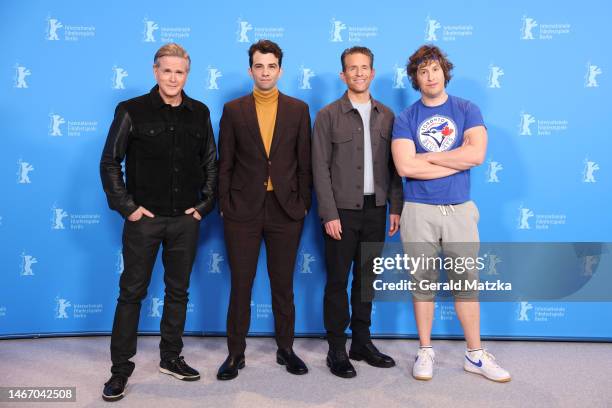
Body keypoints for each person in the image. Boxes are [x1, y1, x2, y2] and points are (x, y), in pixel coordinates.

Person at [99, 43, 218, 401]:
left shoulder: (200, 112)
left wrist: (203, 206)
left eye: (179, 72)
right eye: (166, 71)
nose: (173, 77)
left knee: (178, 292)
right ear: (155, 72)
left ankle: (171, 357)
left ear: (187, 74)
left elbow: (211, 162)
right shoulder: (131, 110)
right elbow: (109, 163)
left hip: (185, 220)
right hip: (143, 221)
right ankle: (120, 371)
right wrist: (128, 208)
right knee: (131, 293)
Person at [391, 44, 511, 382]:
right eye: (422, 71)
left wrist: (426, 158)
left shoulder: (466, 109)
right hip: (418, 211)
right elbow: (404, 165)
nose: (430, 76)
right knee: (422, 283)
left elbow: (476, 156)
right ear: (415, 78)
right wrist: (453, 156)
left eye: (435, 69)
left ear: (445, 72)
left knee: (466, 283)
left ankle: (475, 355)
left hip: (460, 210)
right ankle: (425, 351)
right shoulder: (406, 118)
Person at [216, 39, 312, 380]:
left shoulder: (299, 109)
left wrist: (302, 205)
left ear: (280, 70)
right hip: (242, 209)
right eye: (259, 66)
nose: (265, 71)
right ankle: (234, 354)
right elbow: (224, 162)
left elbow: (305, 163)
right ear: (251, 70)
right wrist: (225, 204)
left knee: (283, 284)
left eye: (271, 66)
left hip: (286, 210)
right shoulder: (233, 109)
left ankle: (286, 349)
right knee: (241, 284)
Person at [312, 46, 403, 378]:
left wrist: (395, 207)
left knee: (366, 281)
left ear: (373, 73)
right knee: (337, 281)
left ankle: (361, 342)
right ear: (343, 75)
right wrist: (329, 213)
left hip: (376, 210)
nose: (359, 73)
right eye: (352, 68)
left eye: (364, 67)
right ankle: (336, 347)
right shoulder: (327, 115)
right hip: (341, 213)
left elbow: (395, 168)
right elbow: (319, 168)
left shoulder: (388, 116)